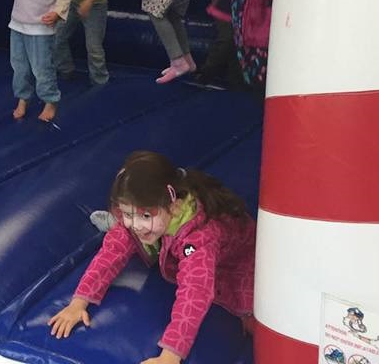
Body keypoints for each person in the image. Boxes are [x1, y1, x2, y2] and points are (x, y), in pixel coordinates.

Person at [49, 151, 256, 364]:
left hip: (236, 261)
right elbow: (110, 254)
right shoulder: (143, 220)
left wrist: (170, 356)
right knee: (124, 235)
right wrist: (78, 303)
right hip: (169, 237)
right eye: (127, 213)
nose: (136, 224)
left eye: (145, 215)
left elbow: (195, 292)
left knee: (249, 309)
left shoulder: (198, 241)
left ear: (174, 208)